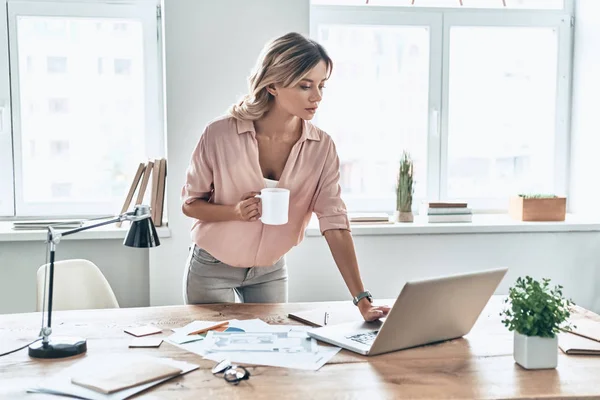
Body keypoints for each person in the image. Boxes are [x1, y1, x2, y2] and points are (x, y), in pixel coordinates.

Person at [181, 32, 390, 322]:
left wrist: (362, 299)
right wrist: (235, 212)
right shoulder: (219, 134)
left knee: (273, 357)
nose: (317, 97)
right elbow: (190, 204)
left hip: (270, 270)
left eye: (321, 86)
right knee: (215, 358)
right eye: (305, 86)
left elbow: (335, 223)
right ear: (273, 84)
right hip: (212, 267)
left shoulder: (322, 147)